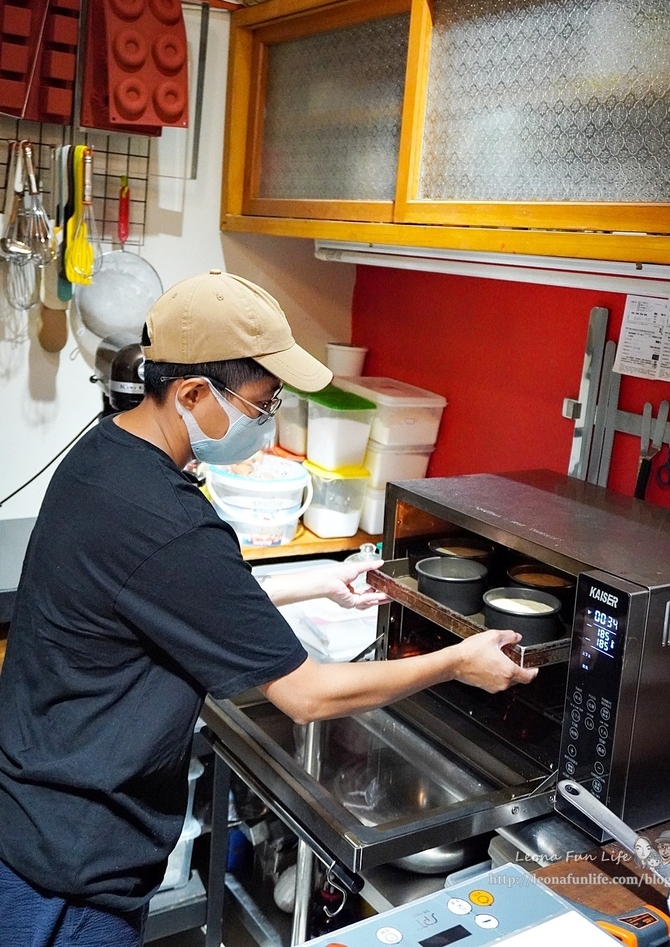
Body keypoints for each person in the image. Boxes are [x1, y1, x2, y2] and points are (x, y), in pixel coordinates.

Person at [0, 269, 536, 946]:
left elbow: (175, 596)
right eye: (262, 402)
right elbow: (306, 696)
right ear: (193, 393)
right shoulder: (167, 520)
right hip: (71, 863)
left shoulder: (107, 455)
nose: (267, 419)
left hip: (36, 809)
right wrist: (457, 661)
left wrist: (320, 580)